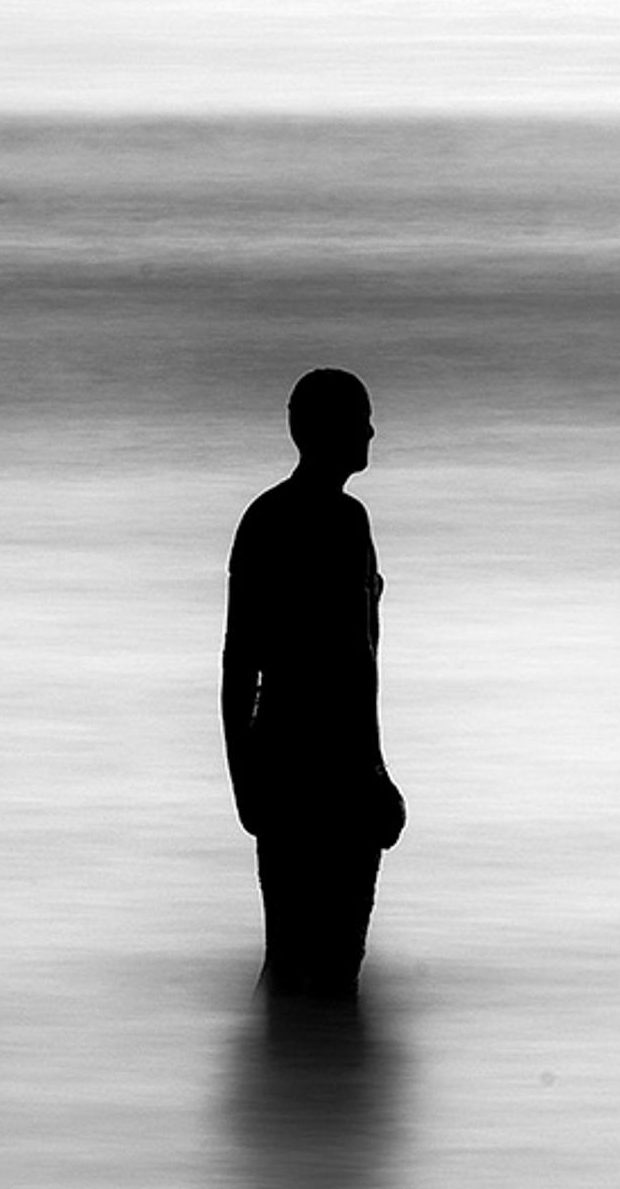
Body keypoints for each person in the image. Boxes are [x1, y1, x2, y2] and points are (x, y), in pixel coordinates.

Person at [223, 368, 407, 999]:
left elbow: (237, 669)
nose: (371, 430)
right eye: (360, 418)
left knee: (289, 958)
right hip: (330, 778)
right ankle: (310, 1084)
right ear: (329, 431)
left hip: (279, 766)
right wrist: (376, 779)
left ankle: (287, 1082)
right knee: (331, 964)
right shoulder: (341, 522)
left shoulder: (264, 518)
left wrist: (245, 777)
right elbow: (351, 668)